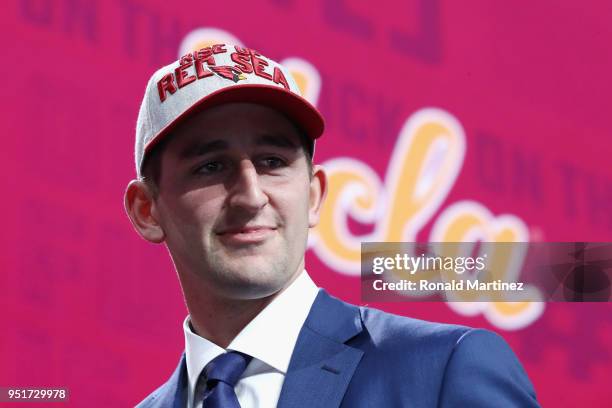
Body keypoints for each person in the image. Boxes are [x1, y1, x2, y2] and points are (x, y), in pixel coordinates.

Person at [124, 44, 539, 408]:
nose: (250, 196)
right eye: (211, 166)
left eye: (273, 162)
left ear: (314, 195)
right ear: (147, 210)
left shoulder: (447, 368)